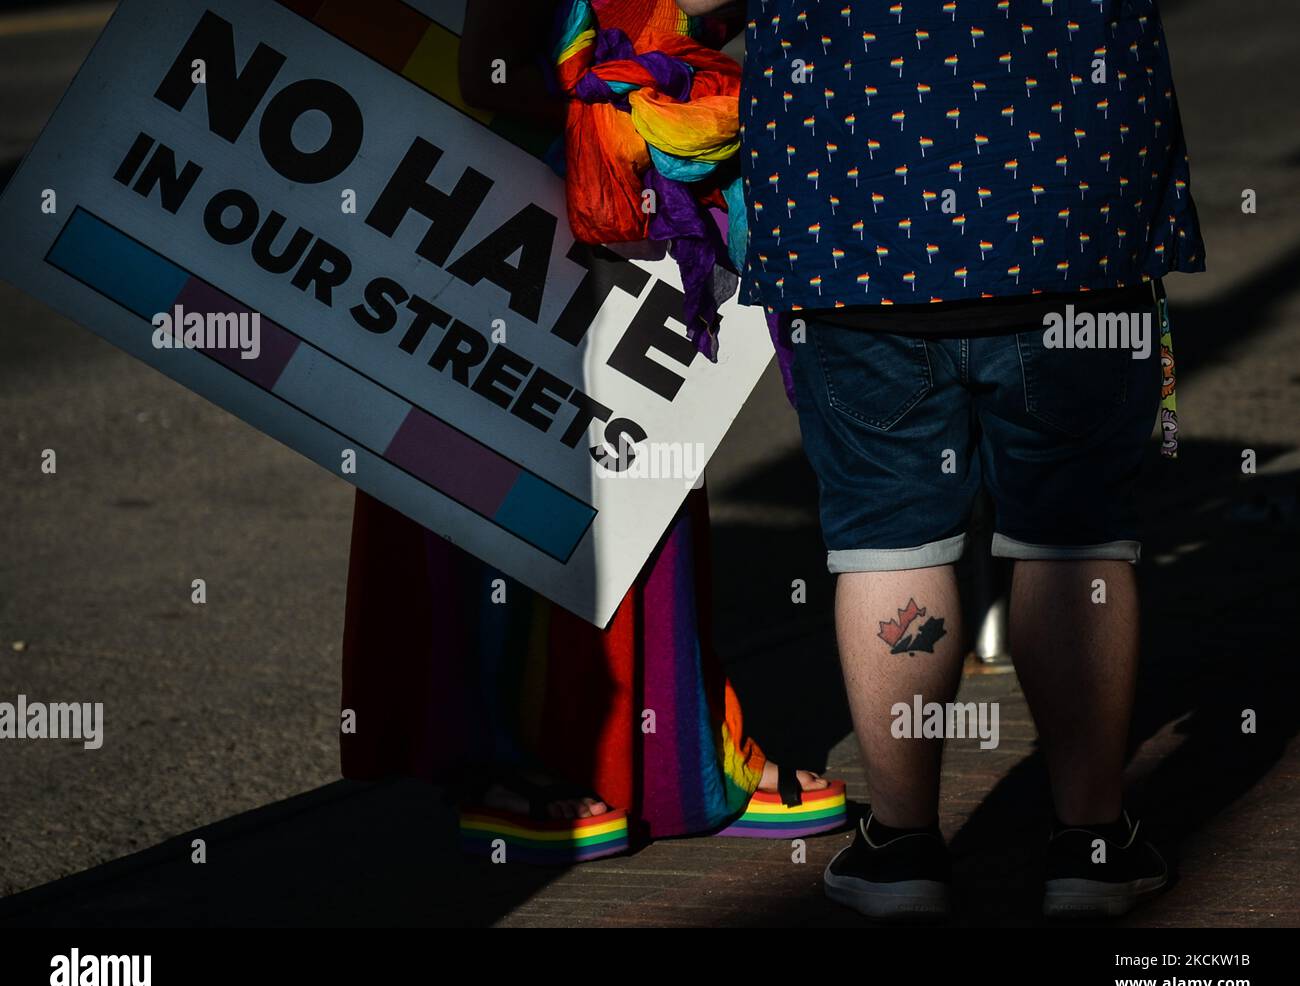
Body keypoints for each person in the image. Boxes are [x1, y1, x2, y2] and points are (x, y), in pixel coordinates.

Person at [678, 0, 1203, 918]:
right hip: (1070, 213)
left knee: (886, 536)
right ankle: (1091, 844)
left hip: (857, 222)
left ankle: (903, 850)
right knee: (1074, 535)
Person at [340, 0, 844, 864]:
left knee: (631, 484)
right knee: (541, 484)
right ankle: (516, 762)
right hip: (533, 211)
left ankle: (645, 759)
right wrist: (662, 100)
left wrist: (696, 60)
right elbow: (490, 67)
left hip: (595, 206)